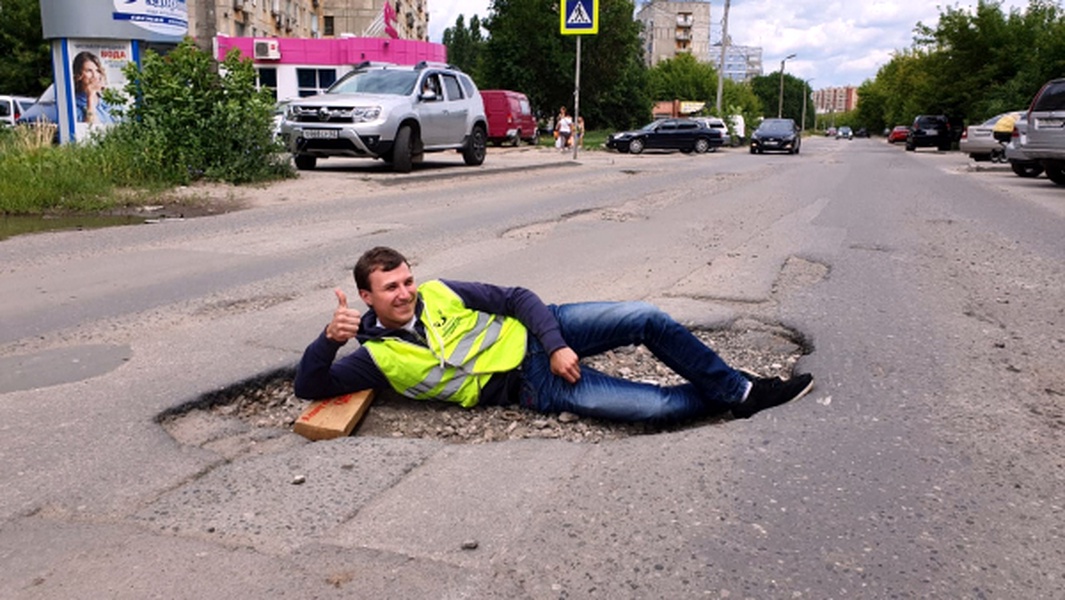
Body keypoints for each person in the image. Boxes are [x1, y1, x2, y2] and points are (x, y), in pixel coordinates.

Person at [295, 247, 815, 424]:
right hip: (534, 388)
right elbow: (310, 388)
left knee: (644, 315)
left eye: (407, 280)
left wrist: (557, 342)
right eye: (391, 288)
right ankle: (727, 389)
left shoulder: (441, 291)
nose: (405, 292)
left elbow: (518, 297)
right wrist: (327, 341)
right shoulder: (374, 358)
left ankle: (741, 392)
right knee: (655, 410)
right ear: (367, 297)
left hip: (548, 331)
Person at [73, 51, 114, 125]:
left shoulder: (109, 99)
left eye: (97, 71)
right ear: (79, 75)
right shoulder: (74, 104)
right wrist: (90, 97)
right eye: (89, 71)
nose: (95, 75)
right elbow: (91, 129)